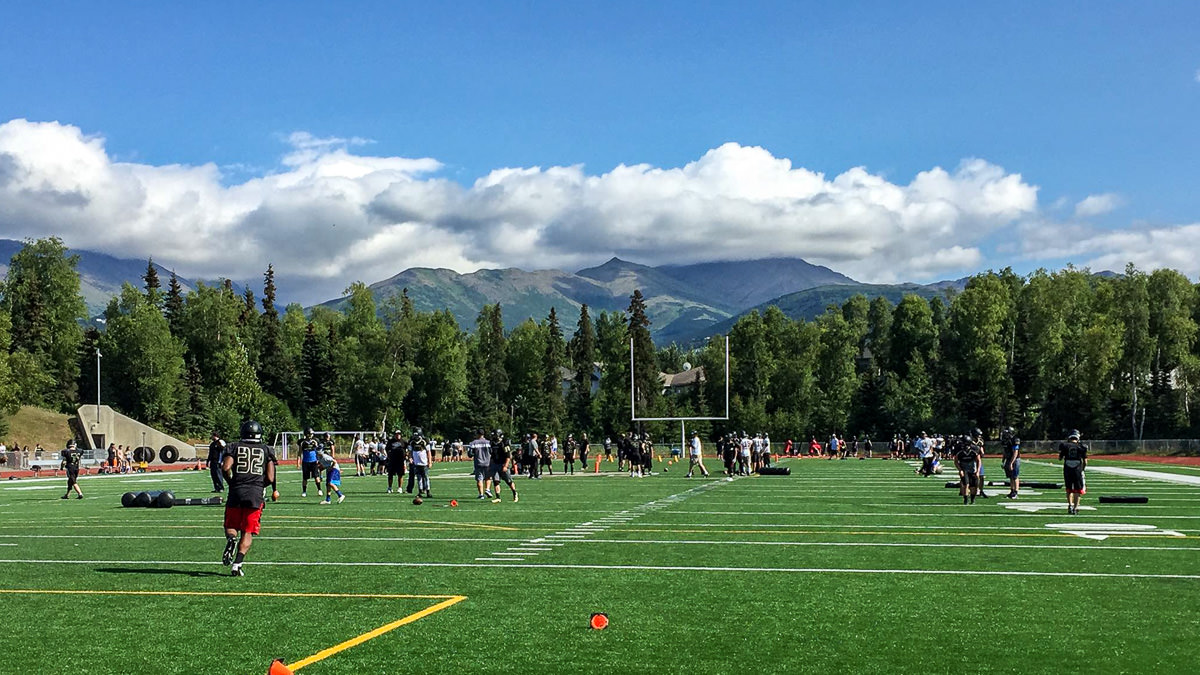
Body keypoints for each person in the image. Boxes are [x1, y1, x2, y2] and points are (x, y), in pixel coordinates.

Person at [221, 420, 277, 577]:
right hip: (255, 493)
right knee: (247, 531)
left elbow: (225, 468)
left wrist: (231, 482)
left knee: (231, 525)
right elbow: (271, 477)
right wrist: (260, 485)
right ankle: (237, 564)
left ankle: (231, 539)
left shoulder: (234, 447)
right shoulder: (266, 449)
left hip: (236, 490)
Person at [1059, 429, 1088, 515]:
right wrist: (1082, 469)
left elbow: (1060, 458)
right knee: (1077, 490)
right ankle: (1075, 508)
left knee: (1069, 489)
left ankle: (1070, 505)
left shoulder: (1064, 445)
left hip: (1067, 468)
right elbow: (1085, 461)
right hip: (1077, 469)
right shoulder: (1081, 446)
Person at [488, 430, 519, 502]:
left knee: (509, 481)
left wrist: (506, 465)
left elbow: (508, 456)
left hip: (503, 464)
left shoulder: (504, 443)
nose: (494, 436)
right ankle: (498, 497)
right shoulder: (492, 443)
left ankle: (515, 493)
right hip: (495, 464)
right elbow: (492, 455)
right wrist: (490, 464)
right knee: (496, 481)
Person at [952, 434, 981, 505]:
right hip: (964, 468)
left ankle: (973, 499)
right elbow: (956, 461)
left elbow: (978, 460)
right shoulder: (958, 449)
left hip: (972, 468)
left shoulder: (975, 449)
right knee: (966, 484)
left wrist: (978, 471)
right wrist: (960, 470)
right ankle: (966, 500)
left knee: (974, 485)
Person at [468, 429, 494, 499]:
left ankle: (481, 494)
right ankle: (488, 489)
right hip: (488, 462)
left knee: (479, 479)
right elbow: (492, 452)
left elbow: (470, 454)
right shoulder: (488, 442)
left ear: (477, 434)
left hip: (478, 463)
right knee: (488, 477)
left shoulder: (473, 443)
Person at [297, 427, 322, 498]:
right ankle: (304, 491)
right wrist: (298, 463)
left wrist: (318, 460)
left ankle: (319, 489)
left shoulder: (315, 441)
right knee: (305, 478)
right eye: (310, 434)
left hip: (314, 461)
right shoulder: (302, 442)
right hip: (305, 462)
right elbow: (299, 453)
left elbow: (318, 451)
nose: (311, 435)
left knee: (316, 477)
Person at [409, 429, 432, 498]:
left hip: (424, 463)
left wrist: (429, 461)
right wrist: (410, 458)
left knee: (426, 477)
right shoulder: (412, 442)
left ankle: (428, 491)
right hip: (416, 463)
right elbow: (410, 451)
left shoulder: (424, 441)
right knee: (419, 478)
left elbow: (428, 452)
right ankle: (420, 491)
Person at [1001, 427, 1021, 499]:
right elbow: (1005, 452)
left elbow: (1015, 452)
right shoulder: (1005, 441)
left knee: (1015, 476)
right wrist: (1003, 461)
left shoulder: (1015, 440)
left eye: (1006, 433)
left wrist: (1011, 463)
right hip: (1008, 459)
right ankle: (1012, 491)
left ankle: (1016, 492)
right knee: (1010, 476)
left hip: (1015, 459)